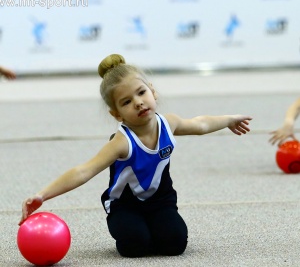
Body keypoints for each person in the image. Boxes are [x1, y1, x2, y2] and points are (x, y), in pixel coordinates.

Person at [19, 54, 252, 258]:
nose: (138, 102)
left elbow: (200, 124)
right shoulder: (121, 143)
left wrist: (229, 119)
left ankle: (154, 224)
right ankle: (134, 228)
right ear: (117, 114)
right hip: (124, 206)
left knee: (174, 244)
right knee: (136, 246)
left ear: (153, 91)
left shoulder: (168, 124)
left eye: (141, 93)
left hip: (161, 202)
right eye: (127, 102)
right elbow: (83, 171)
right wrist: (42, 195)